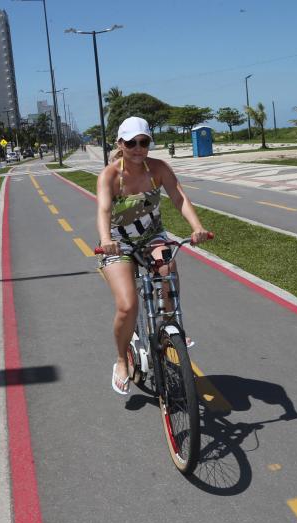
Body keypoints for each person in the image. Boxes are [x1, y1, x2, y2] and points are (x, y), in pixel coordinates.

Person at [97, 116, 210, 395]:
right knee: (127, 305)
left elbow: (179, 197)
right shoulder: (110, 175)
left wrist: (197, 228)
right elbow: (103, 210)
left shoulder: (158, 168)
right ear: (120, 144)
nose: (138, 148)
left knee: (167, 267)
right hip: (118, 243)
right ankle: (122, 360)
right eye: (131, 143)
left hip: (152, 237)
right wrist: (106, 240)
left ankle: (170, 324)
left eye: (143, 142)